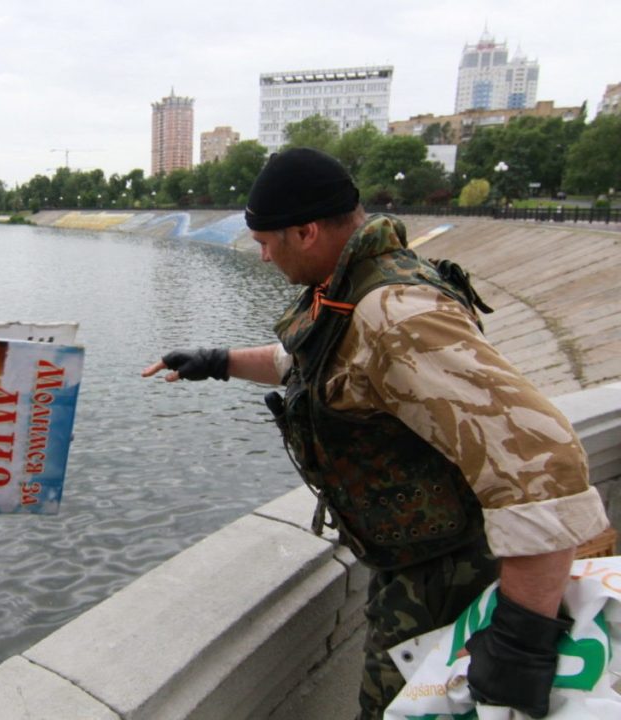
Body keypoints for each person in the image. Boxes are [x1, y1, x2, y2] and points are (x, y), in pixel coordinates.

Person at [142, 148, 609, 720]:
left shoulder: (397, 314)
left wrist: (520, 636)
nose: (262, 257)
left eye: (266, 242)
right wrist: (218, 360)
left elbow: (544, 460)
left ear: (306, 231)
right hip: (418, 566)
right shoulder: (356, 291)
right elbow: (318, 368)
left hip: (454, 581)